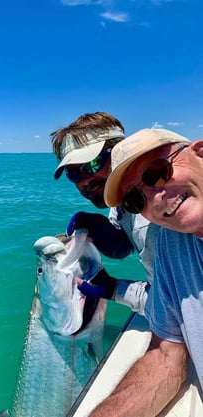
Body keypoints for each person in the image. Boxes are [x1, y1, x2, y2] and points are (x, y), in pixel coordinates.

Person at [89, 127, 202, 417]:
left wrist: (115, 290)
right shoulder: (170, 241)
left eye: (158, 172)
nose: (154, 197)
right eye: (135, 200)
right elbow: (167, 356)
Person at [50, 112, 159, 315]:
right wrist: (103, 230)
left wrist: (115, 289)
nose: (83, 181)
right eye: (73, 174)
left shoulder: (164, 213)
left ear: (120, 151)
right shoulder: (122, 202)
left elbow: (182, 308)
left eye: (91, 164)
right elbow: (126, 245)